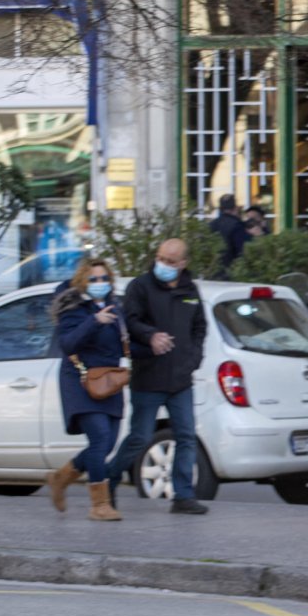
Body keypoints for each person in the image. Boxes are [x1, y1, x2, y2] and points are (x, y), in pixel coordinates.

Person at [104, 239, 210, 514]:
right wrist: (150, 335)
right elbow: (128, 320)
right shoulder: (140, 286)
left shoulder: (190, 290)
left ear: (183, 264)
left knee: (186, 436)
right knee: (139, 437)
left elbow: (200, 327)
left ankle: (183, 496)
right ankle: (109, 479)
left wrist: (193, 358)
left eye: (171, 261)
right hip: (149, 376)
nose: (163, 265)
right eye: (160, 258)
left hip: (180, 379)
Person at [46, 258, 126, 521]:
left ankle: (61, 478)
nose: (100, 283)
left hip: (109, 381)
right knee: (100, 437)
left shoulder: (116, 307)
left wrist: (153, 343)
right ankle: (99, 505)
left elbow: (124, 344)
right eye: (94, 279)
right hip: (80, 379)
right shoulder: (73, 307)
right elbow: (68, 343)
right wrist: (94, 321)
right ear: (83, 282)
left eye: (104, 279)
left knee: (106, 444)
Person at [208, 194, 246, 273]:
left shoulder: (211, 225)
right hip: (231, 271)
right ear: (235, 208)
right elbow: (241, 251)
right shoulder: (237, 225)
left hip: (212, 270)